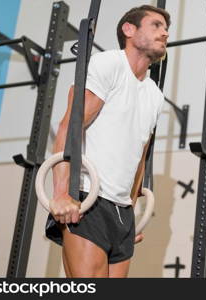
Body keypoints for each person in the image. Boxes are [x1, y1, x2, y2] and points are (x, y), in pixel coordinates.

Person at [44, 5, 170, 278]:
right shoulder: (110, 64)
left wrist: (131, 215)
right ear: (129, 29)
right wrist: (62, 193)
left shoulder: (154, 94)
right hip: (89, 201)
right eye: (156, 25)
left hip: (122, 212)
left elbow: (140, 155)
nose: (165, 33)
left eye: (166, 28)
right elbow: (70, 126)